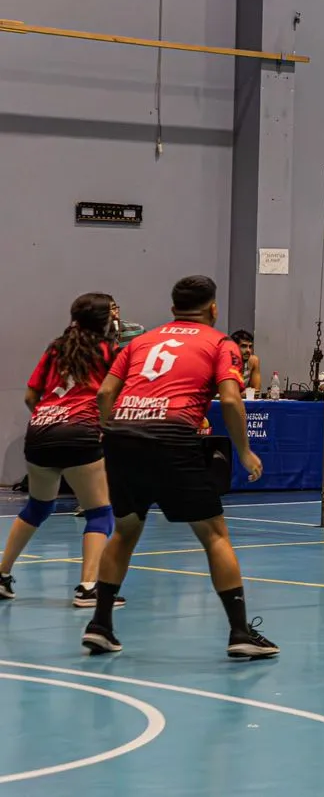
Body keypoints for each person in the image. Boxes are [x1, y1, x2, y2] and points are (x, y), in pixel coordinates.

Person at [84, 275, 277, 659]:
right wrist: (244, 452)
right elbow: (231, 400)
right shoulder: (220, 343)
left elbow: (105, 392)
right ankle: (240, 632)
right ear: (213, 309)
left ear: (173, 308)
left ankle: (100, 625)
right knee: (215, 536)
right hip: (172, 437)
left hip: (123, 435)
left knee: (124, 531)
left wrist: (113, 432)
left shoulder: (139, 342)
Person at [0, 293, 124, 607]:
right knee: (99, 512)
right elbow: (109, 394)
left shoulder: (56, 348)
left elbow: (31, 396)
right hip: (81, 432)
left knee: (37, 508)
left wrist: (51, 419)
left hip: (40, 430)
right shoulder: (110, 351)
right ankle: (88, 588)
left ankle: (2, 574)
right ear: (104, 320)